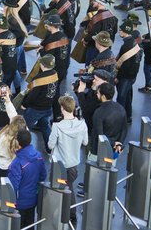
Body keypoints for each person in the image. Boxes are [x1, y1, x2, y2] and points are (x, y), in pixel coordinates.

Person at [48, 95, 88, 224]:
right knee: (69, 188)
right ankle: (71, 215)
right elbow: (86, 142)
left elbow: (50, 145)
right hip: (73, 165)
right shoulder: (82, 124)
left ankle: (67, 215)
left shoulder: (57, 126)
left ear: (62, 108)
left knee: (60, 190)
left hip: (59, 165)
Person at [19, 54, 59, 152]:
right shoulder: (54, 74)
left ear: (42, 65)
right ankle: (50, 149)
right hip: (48, 107)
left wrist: (24, 104)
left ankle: (22, 149)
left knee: (24, 128)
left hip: (35, 109)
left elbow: (32, 95)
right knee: (45, 127)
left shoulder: (39, 79)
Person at [8, 130, 47, 229]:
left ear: (18, 143)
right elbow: (43, 175)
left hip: (20, 203)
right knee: (30, 225)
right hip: (33, 199)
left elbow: (13, 187)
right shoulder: (38, 156)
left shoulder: (17, 163)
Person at [90, 82, 127, 162]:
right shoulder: (121, 108)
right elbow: (124, 129)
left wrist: (114, 143)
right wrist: (119, 144)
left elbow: (100, 135)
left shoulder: (99, 112)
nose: (97, 94)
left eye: (98, 93)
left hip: (98, 152)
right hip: (113, 151)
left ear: (103, 96)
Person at [115, 20, 142, 123]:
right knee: (127, 97)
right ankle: (128, 116)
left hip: (125, 77)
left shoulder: (126, 46)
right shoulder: (134, 43)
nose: (119, 32)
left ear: (124, 31)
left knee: (121, 98)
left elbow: (124, 65)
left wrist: (117, 76)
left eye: (120, 30)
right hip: (132, 76)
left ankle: (119, 120)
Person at [82, 0, 118, 65]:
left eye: (94, 1)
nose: (93, 2)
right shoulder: (113, 17)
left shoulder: (97, 17)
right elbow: (115, 31)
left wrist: (85, 40)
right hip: (107, 48)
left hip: (95, 47)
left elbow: (93, 33)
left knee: (90, 67)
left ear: (99, 3)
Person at [3, 0, 29, 93]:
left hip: (15, 48)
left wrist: (10, 38)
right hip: (19, 46)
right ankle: (17, 90)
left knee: (12, 70)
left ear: (8, 8)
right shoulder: (14, 18)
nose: (3, 7)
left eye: (4, 6)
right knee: (14, 70)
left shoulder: (11, 20)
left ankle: (14, 90)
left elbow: (19, 33)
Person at [0, 16, 17, 87]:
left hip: (4, 69)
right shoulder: (12, 35)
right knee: (8, 86)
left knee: (1, 88)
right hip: (13, 67)